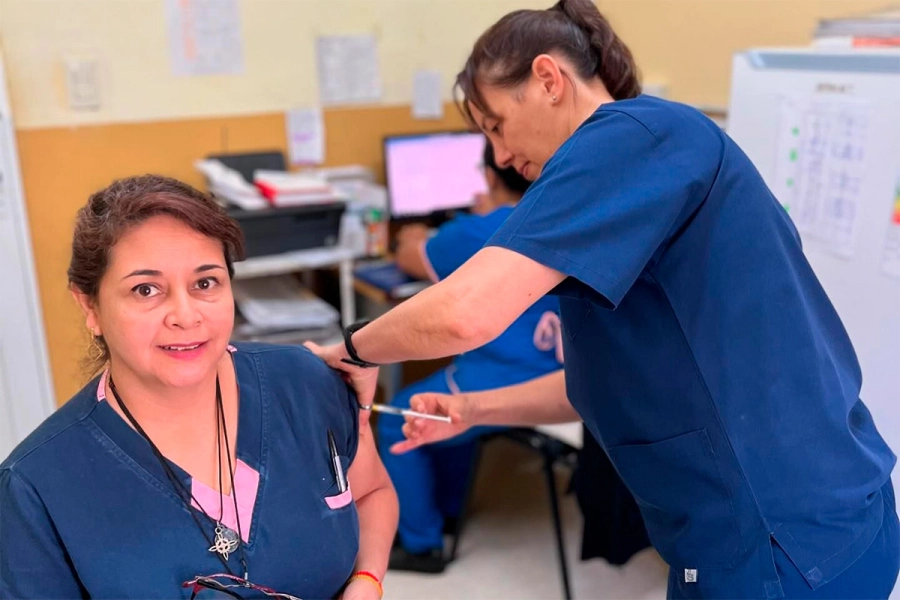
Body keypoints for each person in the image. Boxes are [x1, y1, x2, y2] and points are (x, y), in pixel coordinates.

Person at [306, 0, 900, 598]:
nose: (501, 157)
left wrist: (352, 352)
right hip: (769, 528)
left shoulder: (637, 137)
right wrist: (474, 409)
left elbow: (465, 313)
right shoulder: (615, 183)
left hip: (785, 537)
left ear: (547, 80)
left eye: (495, 125)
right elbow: (606, 383)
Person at [0, 175, 397, 599]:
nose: (185, 316)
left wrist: (366, 581)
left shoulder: (306, 383)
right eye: (146, 289)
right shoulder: (35, 487)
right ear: (90, 306)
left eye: (205, 283)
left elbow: (373, 493)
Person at [379, 140, 563, 574]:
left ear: (492, 174)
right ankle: (448, 508)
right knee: (443, 393)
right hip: (564, 380)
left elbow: (409, 257)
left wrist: (410, 232)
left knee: (397, 418)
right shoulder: (561, 217)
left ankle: (422, 543)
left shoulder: (477, 232)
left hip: (505, 379)